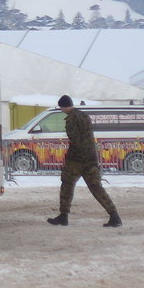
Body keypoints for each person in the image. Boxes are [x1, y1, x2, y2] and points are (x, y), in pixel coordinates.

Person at [48, 94, 122, 228]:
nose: (61, 110)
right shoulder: (84, 115)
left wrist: (70, 157)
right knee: (96, 187)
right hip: (90, 157)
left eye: (61, 108)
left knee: (67, 185)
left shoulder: (71, 119)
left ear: (63, 107)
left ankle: (63, 216)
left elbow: (75, 140)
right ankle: (114, 216)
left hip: (77, 160)